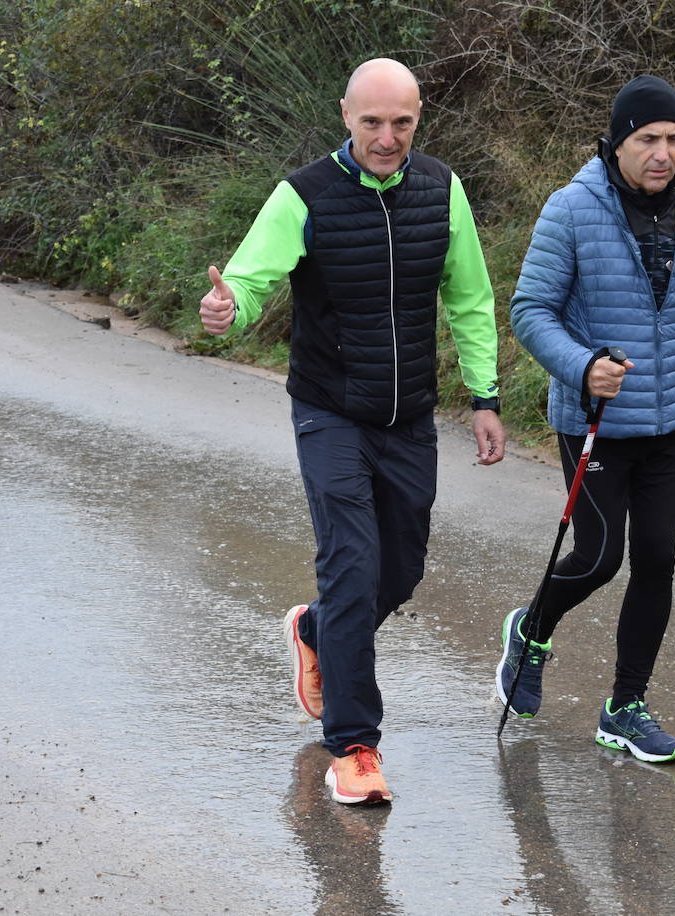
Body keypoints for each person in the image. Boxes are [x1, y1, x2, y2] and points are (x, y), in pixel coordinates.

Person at [200, 58, 506, 804]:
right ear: (345, 116)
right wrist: (227, 308)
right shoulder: (302, 194)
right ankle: (355, 746)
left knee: (397, 573)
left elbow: (470, 297)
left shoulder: (443, 190)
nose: (387, 137)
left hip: (409, 417)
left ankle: (316, 632)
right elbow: (249, 277)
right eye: (372, 122)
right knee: (350, 563)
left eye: (402, 122)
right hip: (329, 410)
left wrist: (485, 395)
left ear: (419, 117)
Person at [498, 74, 675, 763]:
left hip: (669, 423)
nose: (663, 153)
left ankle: (625, 708)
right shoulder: (572, 209)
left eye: (673, 139)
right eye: (648, 140)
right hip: (596, 420)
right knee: (601, 557)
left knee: (659, 560)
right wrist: (582, 366)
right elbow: (529, 311)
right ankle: (531, 632)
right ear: (616, 143)